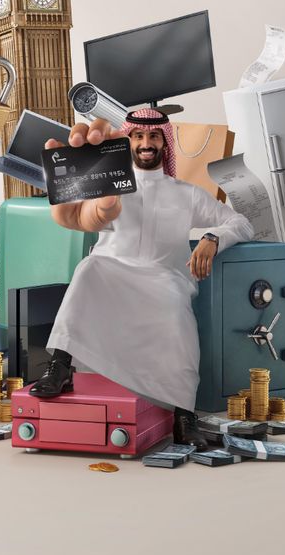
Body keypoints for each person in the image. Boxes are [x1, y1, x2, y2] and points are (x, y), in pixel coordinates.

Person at [28, 107, 254, 451]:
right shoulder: (109, 185)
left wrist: (212, 238)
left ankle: (183, 414)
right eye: (138, 136)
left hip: (165, 280)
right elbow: (87, 215)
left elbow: (241, 222)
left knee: (177, 316)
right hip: (112, 273)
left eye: (153, 137)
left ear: (164, 144)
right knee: (88, 268)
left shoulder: (186, 193)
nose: (146, 144)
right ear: (129, 141)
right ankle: (58, 367)